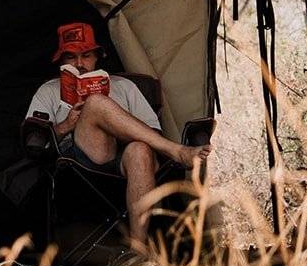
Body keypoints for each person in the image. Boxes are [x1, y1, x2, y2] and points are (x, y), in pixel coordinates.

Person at [26, 21, 210, 247]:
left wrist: (115, 125)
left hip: (124, 161)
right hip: (80, 163)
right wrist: (66, 124)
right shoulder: (48, 90)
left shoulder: (125, 86)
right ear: (61, 61)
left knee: (140, 150)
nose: (80, 64)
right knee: (95, 103)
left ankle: (139, 250)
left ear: (97, 57)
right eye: (71, 58)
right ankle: (176, 150)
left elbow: (151, 131)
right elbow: (34, 143)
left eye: (86, 56)